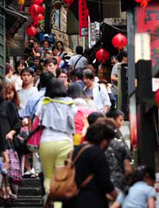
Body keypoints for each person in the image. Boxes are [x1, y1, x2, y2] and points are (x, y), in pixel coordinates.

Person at [37, 78, 76, 208]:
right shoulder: (70, 103)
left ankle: (49, 194)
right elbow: (72, 122)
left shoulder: (43, 102)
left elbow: (38, 119)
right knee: (61, 177)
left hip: (46, 141)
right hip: (64, 141)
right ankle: (58, 205)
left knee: (48, 176)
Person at [62, 123, 119, 208]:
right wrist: (119, 197)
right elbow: (105, 182)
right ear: (102, 139)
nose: (107, 146)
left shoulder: (72, 152)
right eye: (108, 141)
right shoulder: (97, 153)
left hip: (70, 200)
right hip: (91, 201)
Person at [0, 79, 21, 195]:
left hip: (3, 145)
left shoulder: (7, 106)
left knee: (0, 172)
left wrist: (11, 133)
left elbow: (17, 124)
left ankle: (1, 197)